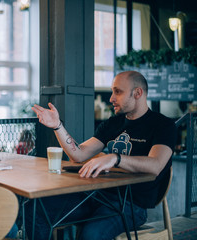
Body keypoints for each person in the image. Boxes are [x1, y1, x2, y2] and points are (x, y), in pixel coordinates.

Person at [29, 71, 177, 240]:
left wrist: (115, 158)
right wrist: (57, 126)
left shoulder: (163, 125)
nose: (111, 98)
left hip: (132, 205)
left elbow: (156, 165)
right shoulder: (113, 123)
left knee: (90, 235)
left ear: (137, 93)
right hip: (96, 196)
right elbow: (79, 154)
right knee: (36, 210)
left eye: (118, 92)